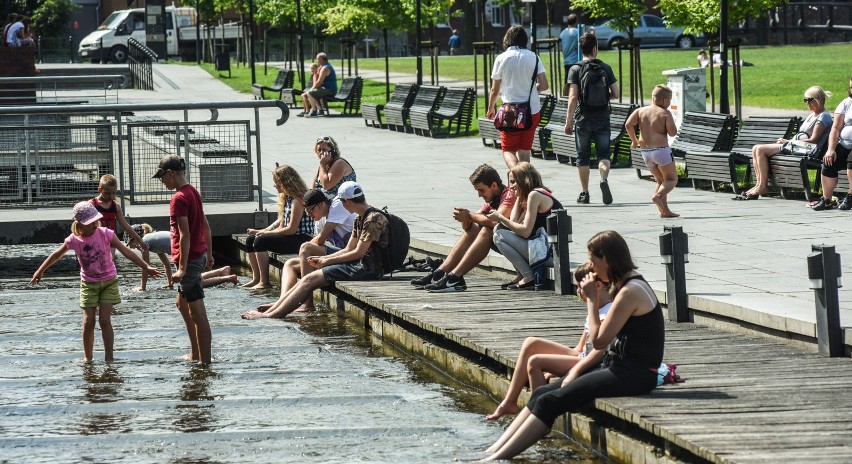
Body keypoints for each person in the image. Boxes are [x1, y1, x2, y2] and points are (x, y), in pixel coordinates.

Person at [478, 230, 665, 462]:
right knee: (542, 393)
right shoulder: (627, 283)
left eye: (592, 261)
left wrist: (592, 301)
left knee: (550, 401)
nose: (591, 267)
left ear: (606, 259)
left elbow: (599, 341)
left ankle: (494, 460)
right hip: (617, 367)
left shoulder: (630, 291)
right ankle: (492, 451)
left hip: (633, 374)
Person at [29, 202, 161, 362]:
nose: (94, 224)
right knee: (88, 322)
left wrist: (146, 267)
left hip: (109, 281)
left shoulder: (106, 233)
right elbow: (57, 254)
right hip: (88, 284)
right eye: (90, 222)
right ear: (79, 225)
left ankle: (109, 358)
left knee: (104, 320)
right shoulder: (74, 240)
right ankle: (88, 358)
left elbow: (126, 252)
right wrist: (40, 271)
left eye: (95, 221)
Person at [241, 181, 388, 319]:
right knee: (307, 278)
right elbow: (349, 248)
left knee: (310, 279)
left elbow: (358, 253)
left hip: (369, 268)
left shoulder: (373, 219)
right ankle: (277, 308)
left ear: (347, 202)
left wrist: (326, 260)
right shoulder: (360, 219)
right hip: (359, 264)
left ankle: (271, 315)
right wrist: (325, 260)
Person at [485, 262, 611, 421]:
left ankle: (538, 416)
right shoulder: (596, 309)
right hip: (582, 356)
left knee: (535, 362)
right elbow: (579, 349)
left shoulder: (608, 313)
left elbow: (596, 352)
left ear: (597, 286)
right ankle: (510, 401)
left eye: (581, 288)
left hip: (593, 364)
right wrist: (557, 365)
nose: (579, 292)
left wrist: (564, 367)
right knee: (531, 343)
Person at [414, 164, 517, 293]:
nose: (479, 195)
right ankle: (440, 273)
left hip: (524, 244)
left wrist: (469, 215)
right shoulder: (492, 198)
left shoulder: (509, 195)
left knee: (487, 229)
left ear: (494, 185)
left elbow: (494, 221)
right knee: (476, 227)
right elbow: (470, 226)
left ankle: (455, 277)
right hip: (508, 240)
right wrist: (465, 219)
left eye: (481, 190)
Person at [152, 155, 214, 365]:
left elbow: (184, 235)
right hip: (200, 254)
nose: (163, 183)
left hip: (191, 259)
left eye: (162, 178)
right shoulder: (193, 192)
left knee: (198, 313)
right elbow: (206, 225)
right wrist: (211, 254)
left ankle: (204, 363)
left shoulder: (178, 198)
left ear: (170, 173)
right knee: (182, 305)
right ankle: (195, 353)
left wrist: (182, 268)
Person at [256, 188, 356, 314]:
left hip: (350, 255)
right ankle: (282, 302)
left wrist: (306, 251)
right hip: (339, 254)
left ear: (322, 204)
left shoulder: (337, 206)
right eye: (306, 211)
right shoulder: (320, 220)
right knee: (290, 264)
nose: (309, 214)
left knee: (305, 248)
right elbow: (320, 243)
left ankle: (307, 303)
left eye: (310, 210)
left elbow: (320, 240)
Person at [734, 86, 833, 201]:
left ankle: (762, 186)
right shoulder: (812, 115)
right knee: (755, 148)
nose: (807, 103)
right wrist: (790, 142)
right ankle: (758, 184)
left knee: (760, 149)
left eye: (810, 100)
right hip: (798, 147)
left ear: (820, 100)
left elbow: (813, 140)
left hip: (808, 150)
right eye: (805, 100)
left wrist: (788, 141)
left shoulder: (823, 116)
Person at [487, 162, 562, 290]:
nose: (511, 186)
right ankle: (521, 274)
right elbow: (514, 223)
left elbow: (525, 232)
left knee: (499, 235)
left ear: (524, 180)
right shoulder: (530, 195)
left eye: (513, 182)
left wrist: (500, 217)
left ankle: (528, 276)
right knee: (499, 229)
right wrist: (518, 196)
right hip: (542, 248)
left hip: (549, 254)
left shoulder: (535, 195)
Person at [565, 33, 620, 205]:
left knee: (583, 157)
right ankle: (603, 179)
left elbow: (573, 97)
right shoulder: (606, 67)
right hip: (603, 116)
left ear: (580, 49)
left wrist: (568, 122)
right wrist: (603, 98)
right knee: (603, 154)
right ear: (595, 49)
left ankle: (585, 193)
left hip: (583, 118)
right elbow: (616, 94)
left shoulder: (575, 69)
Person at [242, 165, 315, 289]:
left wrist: (265, 234)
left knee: (260, 241)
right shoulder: (287, 198)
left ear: (286, 182)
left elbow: (291, 229)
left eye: (277, 183)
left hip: (301, 239)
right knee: (251, 240)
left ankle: (264, 282)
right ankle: (256, 278)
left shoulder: (297, 201)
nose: (275, 186)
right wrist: (265, 230)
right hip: (291, 236)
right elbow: (282, 222)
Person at [486, 25, 548, 169]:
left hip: (510, 112)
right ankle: (526, 182)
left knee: (508, 150)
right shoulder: (534, 57)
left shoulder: (501, 58)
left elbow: (495, 90)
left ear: (507, 39)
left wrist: (491, 108)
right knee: (525, 151)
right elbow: (544, 85)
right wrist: (531, 90)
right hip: (531, 110)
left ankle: (516, 175)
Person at [127, 224, 239, 291]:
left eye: (130, 244)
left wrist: (142, 287)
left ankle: (228, 278)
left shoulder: (144, 243)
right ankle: (221, 271)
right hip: (186, 249)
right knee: (193, 277)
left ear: (134, 238)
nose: (131, 247)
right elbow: (166, 264)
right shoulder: (150, 240)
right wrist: (170, 283)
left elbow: (145, 267)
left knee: (195, 283)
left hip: (185, 251)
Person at [624, 84, 680, 218]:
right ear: (665, 100)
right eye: (670, 100)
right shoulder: (664, 112)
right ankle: (658, 196)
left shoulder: (640, 111)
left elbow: (628, 125)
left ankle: (664, 211)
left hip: (646, 152)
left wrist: (634, 140)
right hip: (661, 151)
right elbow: (673, 133)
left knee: (661, 181)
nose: (670, 102)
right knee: (671, 179)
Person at [91, 174, 145, 254]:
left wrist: (139, 239)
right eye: (107, 193)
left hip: (111, 240)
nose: (111, 196)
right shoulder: (92, 205)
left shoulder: (115, 206)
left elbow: (125, 225)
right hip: (95, 240)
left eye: (114, 193)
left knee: (110, 261)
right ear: (99, 189)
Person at [820, 78, 852, 211]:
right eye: (851, 87)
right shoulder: (846, 103)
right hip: (845, 144)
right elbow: (836, 128)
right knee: (829, 162)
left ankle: (850, 197)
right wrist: (831, 149)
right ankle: (827, 199)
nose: (851, 91)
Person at [303, 52, 337, 118]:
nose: (317, 61)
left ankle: (314, 111)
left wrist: (311, 89)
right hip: (327, 88)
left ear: (321, 59)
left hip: (330, 90)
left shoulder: (325, 68)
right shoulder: (324, 66)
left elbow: (319, 82)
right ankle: (319, 110)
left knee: (310, 93)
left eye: (317, 59)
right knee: (312, 93)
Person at [559, 14, 580, 85]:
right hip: (575, 60)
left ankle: (566, 94)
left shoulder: (563, 33)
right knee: (576, 82)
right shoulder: (578, 32)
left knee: (567, 81)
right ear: (576, 21)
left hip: (566, 61)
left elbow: (560, 48)